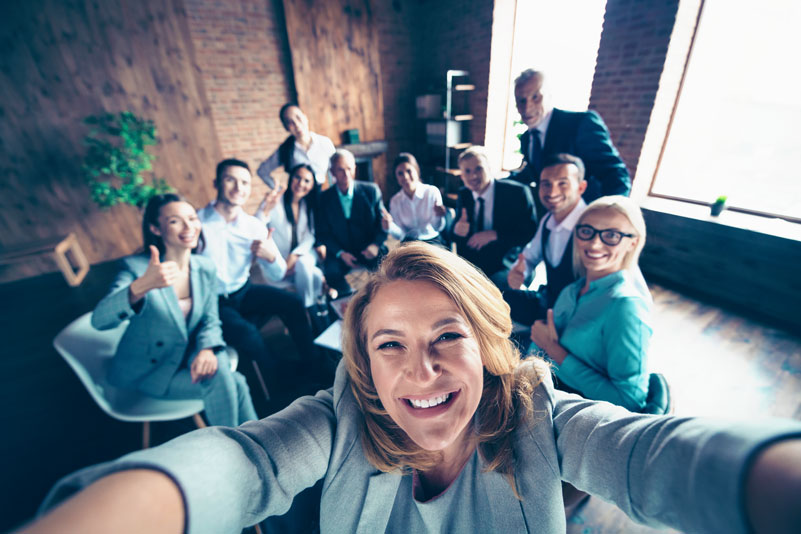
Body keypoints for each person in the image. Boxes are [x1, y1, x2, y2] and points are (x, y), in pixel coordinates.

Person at [27, 243, 801, 534]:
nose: (419, 371)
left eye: (446, 338)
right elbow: (247, 464)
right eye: (388, 345)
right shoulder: (341, 419)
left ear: (490, 347)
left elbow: (645, 456)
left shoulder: (536, 412)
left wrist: (771, 480)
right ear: (362, 363)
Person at [90, 194, 256, 427]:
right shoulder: (136, 269)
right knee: (229, 378)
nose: (189, 226)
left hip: (188, 357)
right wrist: (141, 286)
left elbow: (210, 319)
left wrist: (207, 348)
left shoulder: (204, 266)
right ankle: (242, 446)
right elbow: (99, 321)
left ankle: (249, 444)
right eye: (175, 221)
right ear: (156, 229)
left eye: (192, 218)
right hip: (149, 370)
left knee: (223, 369)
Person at [198, 158, 318, 400]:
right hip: (212, 301)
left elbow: (278, 273)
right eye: (230, 180)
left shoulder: (253, 226)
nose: (238, 187)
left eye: (244, 182)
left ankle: (313, 364)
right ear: (216, 183)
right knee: (249, 334)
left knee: (293, 303)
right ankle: (278, 384)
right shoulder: (198, 224)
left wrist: (271, 256)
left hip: (244, 290)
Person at [530, 195, 651, 411]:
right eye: (587, 231)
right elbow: (539, 345)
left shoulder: (626, 307)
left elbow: (630, 401)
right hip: (542, 393)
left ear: (632, 242)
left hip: (578, 418)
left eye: (611, 235)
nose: (594, 243)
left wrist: (552, 348)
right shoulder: (571, 290)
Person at [512, 68, 630, 218]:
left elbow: (616, 174)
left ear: (549, 96)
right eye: (521, 100)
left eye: (536, 97)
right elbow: (535, 172)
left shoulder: (580, 124)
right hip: (551, 217)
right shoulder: (526, 138)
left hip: (585, 218)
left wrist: (606, 220)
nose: (527, 107)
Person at [504, 153, 588, 326]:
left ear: (580, 187)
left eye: (562, 183)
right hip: (548, 303)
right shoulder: (548, 220)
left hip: (578, 318)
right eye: (546, 184)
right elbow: (530, 256)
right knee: (497, 301)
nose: (552, 192)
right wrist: (520, 272)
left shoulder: (592, 228)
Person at [452, 145, 537, 287]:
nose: (473, 176)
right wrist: (456, 229)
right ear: (462, 176)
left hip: (506, 260)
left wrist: (495, 234)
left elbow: (530, 233)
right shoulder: (464, 194)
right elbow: (453, 235)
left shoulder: (517, 193)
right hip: (472, 262)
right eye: (467, 171)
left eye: (478, 168)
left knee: (493, 288)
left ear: (489, 168)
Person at [316, 148, 388, 295]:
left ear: (355, 168)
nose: (346, 174)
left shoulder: (371, 191)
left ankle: (380, 297)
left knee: (387, 264)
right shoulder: (323, 198)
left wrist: (375, 244)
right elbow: (323, 232)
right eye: (340, 170)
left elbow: (383, 225)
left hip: (368, 247)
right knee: (330, 270)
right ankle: (348, 300)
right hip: (340, 251)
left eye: (349, 168)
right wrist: (341, 253)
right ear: (332, 172)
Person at [256, 163, 325, 309]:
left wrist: (295, 255)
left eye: (307, 181)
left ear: (312, 185)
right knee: (314, 274)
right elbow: (258, 224)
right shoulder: (276, 199)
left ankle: (307, 306)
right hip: (280, 255)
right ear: (290, 178)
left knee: (303, 263)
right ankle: (316, 301)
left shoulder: (309, 204)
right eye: (297, 178)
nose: (301, 184)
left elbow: (310, 235)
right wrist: (265, 209)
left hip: (303, 251)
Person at [256, 103, 336, 188]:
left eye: (298, 118)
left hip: (324, 192)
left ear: (305, 117)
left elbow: (336, 169)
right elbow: (262, 171)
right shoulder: (286, 149)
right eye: (290, 122)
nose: (296, 124)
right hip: (301, 197)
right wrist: (280, 191)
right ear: (286, 127)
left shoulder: (324, 142)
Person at [381, 152, 447, 246]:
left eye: (409, 171)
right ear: (396, 178)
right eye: (400, 173)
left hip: (432, 240)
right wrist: (389, 226)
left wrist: (438, 216)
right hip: (409, 243)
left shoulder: (432, 191)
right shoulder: (395, 201)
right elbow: (399, 235)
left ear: (417, 170)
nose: (405, 177)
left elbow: (437, 228)